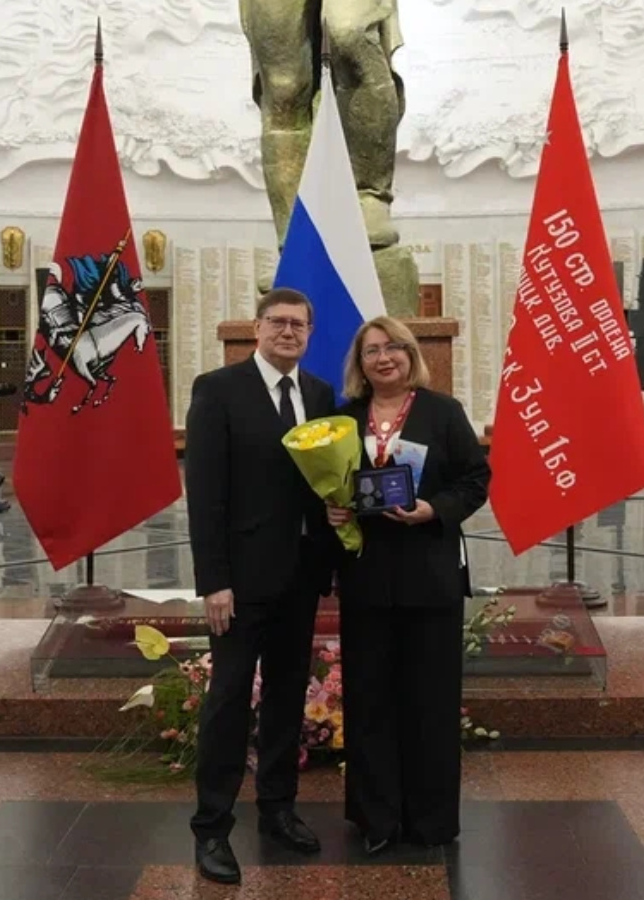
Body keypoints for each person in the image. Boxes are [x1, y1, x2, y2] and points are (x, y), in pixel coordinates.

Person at [184, 287, 339, 885]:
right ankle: (212, 828)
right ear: (257, 328)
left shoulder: (319, 395)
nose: (288, 332)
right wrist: (214, 581)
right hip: (240, 583)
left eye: (299, 324)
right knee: (228, 700)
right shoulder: (218, 390)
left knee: (285, 696)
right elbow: (206, 495)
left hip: (300, 577)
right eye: (278, 322)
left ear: (310, 333)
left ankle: (277, 809)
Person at [326, 315, 490, 854]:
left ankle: (430, 821)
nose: (384, 357)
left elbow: (475, 480)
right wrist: (332, 510)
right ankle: (376, 818)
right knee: (368, 700)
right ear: (360, 363)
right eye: (372, 350)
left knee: (431, 702)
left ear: (411, 354)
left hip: (430, 576)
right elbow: (326, 487)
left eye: (394, 347)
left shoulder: (443, 412)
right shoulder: (344, 420)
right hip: (366, 577)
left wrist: (433, 509)